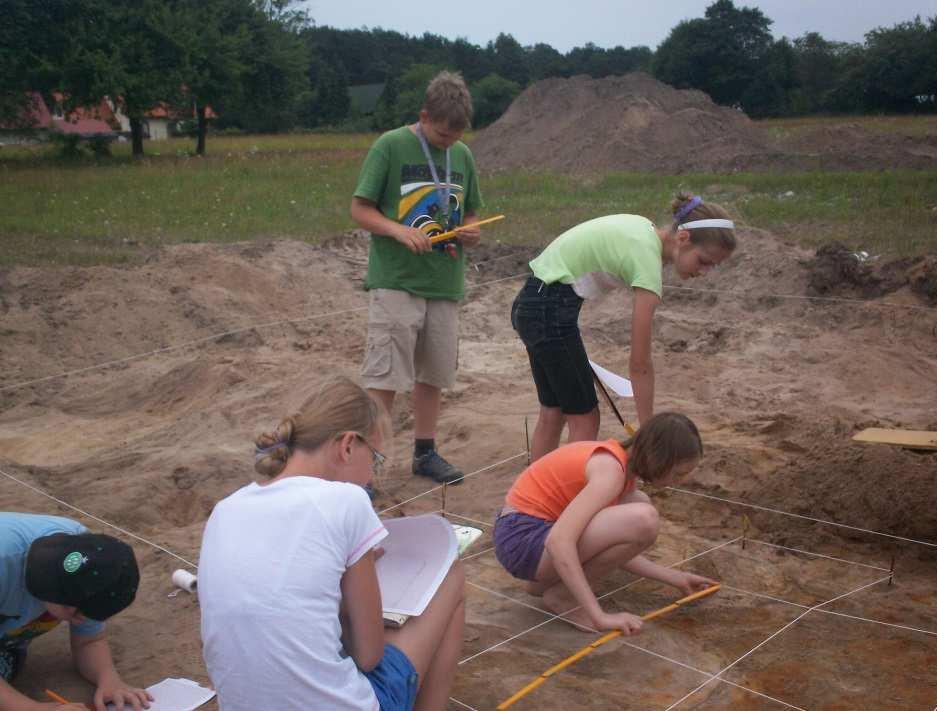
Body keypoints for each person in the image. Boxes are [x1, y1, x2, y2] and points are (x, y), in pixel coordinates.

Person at [198, 376, 466, 711]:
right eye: (375, 459)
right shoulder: (347, 500)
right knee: (451, 576)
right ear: (348, 446)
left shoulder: (225, 510)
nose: (371, 476)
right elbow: (368, 656)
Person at [511, 193, 737, 461]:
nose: (705, 272)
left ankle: (533, 496)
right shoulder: (646, 261)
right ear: (683, 239)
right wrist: (648, 428)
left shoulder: (644, 229)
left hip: (532, 302)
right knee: (585, 418)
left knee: (554, 410)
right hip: (549, 312)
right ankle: (565, 496)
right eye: (704, 261)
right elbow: (639, 364)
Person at [350, 70, 484, 485]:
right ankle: (367, 468)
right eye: (442, 134)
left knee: (434, 374)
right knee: (385, 376)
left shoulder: (462, 154)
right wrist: (398, 230)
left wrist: (472, 230)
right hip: (397, 281)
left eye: (456, 135)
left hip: (444, 284)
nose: (448, 142)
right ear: (424, 115)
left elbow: (473, 209)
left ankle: (425, 453)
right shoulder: (390, 146)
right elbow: (360, 209)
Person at [493, 412, 718, 635]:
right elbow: (559, 541)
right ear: (660, 459)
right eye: (677, 474)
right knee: (643, 518)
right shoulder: (610, 473)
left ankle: (546, 582)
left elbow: (609, 546)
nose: (676, 483)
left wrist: (674, 578)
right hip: (521, 537)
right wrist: (598, 615)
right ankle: (563, 597)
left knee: (638, 503)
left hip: (525, 536)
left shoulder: (620, 469)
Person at [0, 513, 149, 711]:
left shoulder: (89, 559)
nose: (81, 622)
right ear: (70, 607)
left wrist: (109, 681)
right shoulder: (6, 564)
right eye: (81, 616)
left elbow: (89, 641)